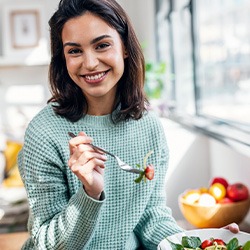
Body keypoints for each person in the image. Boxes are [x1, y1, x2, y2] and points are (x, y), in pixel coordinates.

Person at [18, 0, 239, 249]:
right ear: (63, 58)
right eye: (75, 51)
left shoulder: (148, 126)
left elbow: (150, 217)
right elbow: (46, 243)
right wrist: (89, 194)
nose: (89, 63)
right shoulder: (44, 132)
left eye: (102, 45)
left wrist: (197, 244)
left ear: (124, 47)